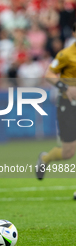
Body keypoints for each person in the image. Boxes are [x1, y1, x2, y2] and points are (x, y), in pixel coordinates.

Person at [36, 22, 76, 187]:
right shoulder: (65, 55)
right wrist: (65, 87)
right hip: (68, 105)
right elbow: (49, 74)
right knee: (68, 152)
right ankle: (45, 158)